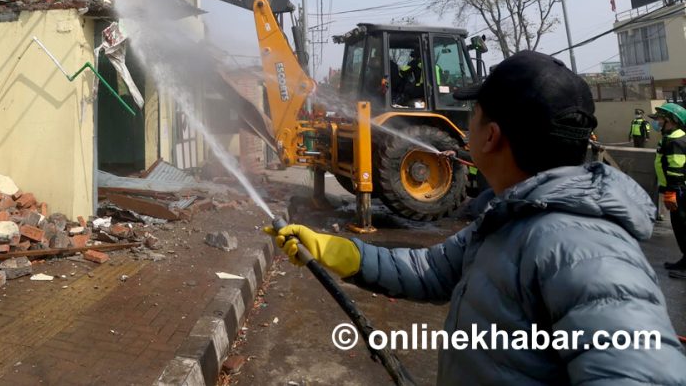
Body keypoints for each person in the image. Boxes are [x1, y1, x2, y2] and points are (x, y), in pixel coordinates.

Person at [268, 50, 686, 384]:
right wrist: (338, 251)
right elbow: (432, 269)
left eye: (476, 113)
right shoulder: (513, 219)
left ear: (490, 135)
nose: (467, 125)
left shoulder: (585, 250)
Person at [650, 103, 686, 276]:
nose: (656, 122)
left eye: (659, 119)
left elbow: (676, 169)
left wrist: (672, 191)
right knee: (679, 227)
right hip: (676, 190)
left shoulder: (676, 141)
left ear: (670, 121)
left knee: (683, 227)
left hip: (680, 191)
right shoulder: (669, 137)